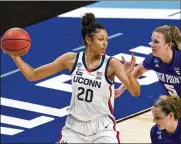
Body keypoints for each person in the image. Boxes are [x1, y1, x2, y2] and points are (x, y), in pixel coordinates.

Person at [2, 13, 140, 143]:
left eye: (106, 39)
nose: (105, 43)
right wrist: (15, 56)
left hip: (102, 128)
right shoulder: (71, 59)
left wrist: (129, 76)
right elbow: (32, 75)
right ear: (88, 40)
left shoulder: (112, 64)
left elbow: (135, 92)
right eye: (101, 39)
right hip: (74, 128)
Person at [115, 25, 181, 98]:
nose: (151, 44)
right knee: (157, 107)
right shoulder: (153, 59)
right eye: (152, 40)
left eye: (156, 42)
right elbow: (139, 70)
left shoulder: (178, 60)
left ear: (169, 45)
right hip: (174, 101)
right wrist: (120, 89)